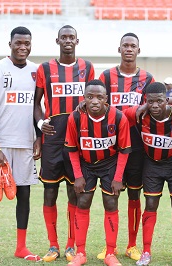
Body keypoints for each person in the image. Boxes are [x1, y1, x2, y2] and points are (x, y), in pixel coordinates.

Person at [0, 26, 41, 263]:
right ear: (10, 44)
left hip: (25, 144)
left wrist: (39, 138)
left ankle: (21, 247)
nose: (23, 47)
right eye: (18, 43)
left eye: (27, 43)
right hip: (1, 146)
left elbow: (36, 109)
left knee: (24, 194)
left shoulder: (36, 71)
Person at [34, 24, 95, 262]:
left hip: (77, 139)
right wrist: (40, 126)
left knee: (74, 191)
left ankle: (71, 245)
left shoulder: (87, 68)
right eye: (64, 37)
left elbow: (95, 98)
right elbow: (36, 103)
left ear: (77, 42)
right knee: (50, 191)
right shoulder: (45, 68)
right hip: (52, 138)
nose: (68, 40)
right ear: (57, 41)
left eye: (72, 37)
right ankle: (53, 245)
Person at [97, 32, 155, 261]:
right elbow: (99, 107)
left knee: (134, 194)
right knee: (111, 195)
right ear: (119, 49)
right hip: (111, 145)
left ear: (138, 51)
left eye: (133, 46)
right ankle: (109, 246)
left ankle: (132, 245)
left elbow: (149, 109)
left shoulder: (147, 79)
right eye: (125, 45)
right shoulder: (106, 76)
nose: (129, 49)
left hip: (137, 144)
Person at [124, 82, 172, 266]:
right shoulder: (140, 114)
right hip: (152, 164)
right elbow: (119, 117)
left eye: (160, 101)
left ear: (167, 100)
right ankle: (146, 252)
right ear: (145, 101)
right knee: (150, 203)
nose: (155, 106)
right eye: (150, 101)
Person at [64, 80, 131, 266]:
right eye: (90, 97)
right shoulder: (75, 117)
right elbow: (71, 149)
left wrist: (118, 178)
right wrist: (77, 175)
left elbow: (124, 150)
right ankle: (81, 253)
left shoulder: (118, 117)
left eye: (99, 97)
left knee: (110, 202)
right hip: (86, 164)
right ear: (84, 98)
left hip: (110, 163)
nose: (94, 101)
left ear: (106, 99)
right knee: (83, 201)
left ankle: (110, 253)